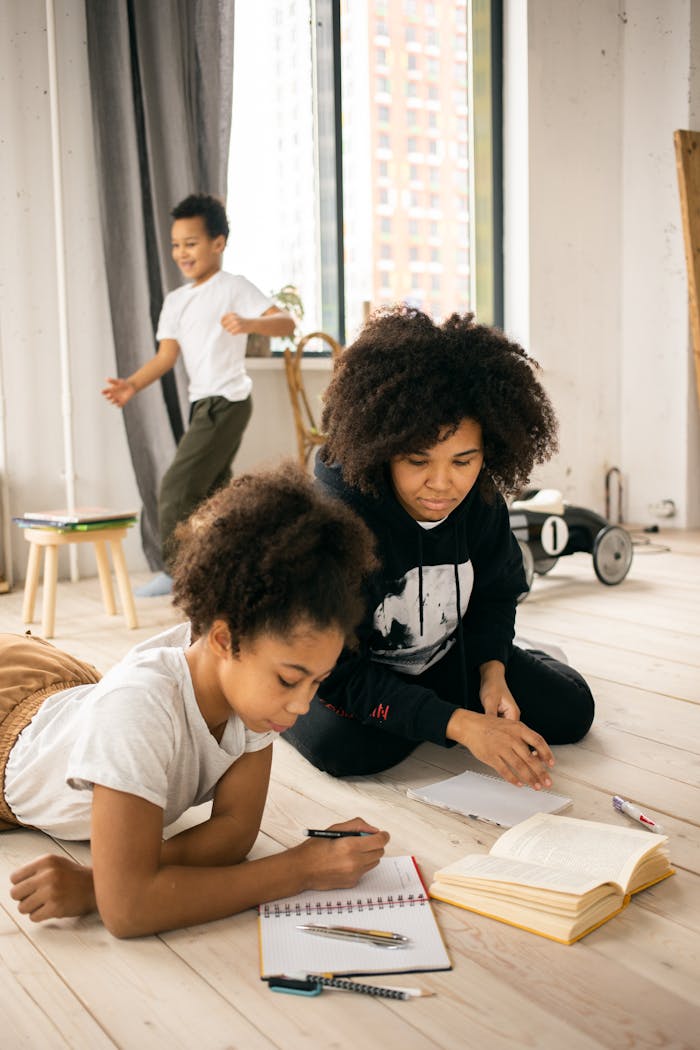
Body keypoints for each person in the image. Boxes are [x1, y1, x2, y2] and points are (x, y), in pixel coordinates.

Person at [2, 463, 388, 938]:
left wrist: (102, 881)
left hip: (64, 699)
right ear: (224, 640)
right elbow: (129, 912)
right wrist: (300, 870)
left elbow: (233, 835)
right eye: (290, 680)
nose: (301, 706)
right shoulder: (139, 707)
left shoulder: (250, 698)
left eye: (317, 682)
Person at [285, 306, 595, 789]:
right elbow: (342, 674)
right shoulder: (337, 519)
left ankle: (476, 684)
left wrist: (493, 671)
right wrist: (463, 725)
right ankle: (436, 711)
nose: (442, 484)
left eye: (464, 460)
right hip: (356, 670)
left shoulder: (480, 495)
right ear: (382, 446)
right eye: (417, 460)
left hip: (446, 654)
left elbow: (495, 591)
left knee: (572, 712)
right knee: (347, 751)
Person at [102, 193, 296, 597]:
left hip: (228, 400)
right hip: (202, 403)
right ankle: (221, 569)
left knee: (176, 486)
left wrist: (248, 322)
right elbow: (166, 356)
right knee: (214, 494)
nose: (181, 253)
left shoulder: (234, 288)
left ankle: (176, 574)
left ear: (218, 243)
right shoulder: (175, 302)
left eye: (190, 243)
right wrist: (132, 385)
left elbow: (285, 323)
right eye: (175, 245)